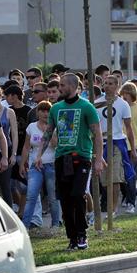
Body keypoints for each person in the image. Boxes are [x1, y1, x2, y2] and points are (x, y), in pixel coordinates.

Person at [34, 73, 104, 251]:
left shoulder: (86, 107)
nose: (60, 88)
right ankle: (72, 237)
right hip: (61, 158)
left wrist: (98, 158)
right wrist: (39, 155)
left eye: (63, 85)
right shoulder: (55, 108)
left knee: (77, 195)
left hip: (81, 157)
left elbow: (97, 134)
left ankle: (82, 234)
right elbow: (49, 132)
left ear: (72, 86)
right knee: (64, 199)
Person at [95, 75, 137, 215]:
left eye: (111, 83)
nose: (107, 86)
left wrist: (133, 148)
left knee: (116, 178)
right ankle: (107, 205)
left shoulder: (123, 104)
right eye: (105, 83)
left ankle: (113, 209)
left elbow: (128, 127)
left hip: (117, 143)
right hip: (102, 143)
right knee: (105, 180)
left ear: (117, 86)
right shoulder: (97, 103)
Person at [19, 101, 61, 229]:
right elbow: (26, 146)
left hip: (51, 164)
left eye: (48, 111)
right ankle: (25, 226)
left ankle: (55, 225)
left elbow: (56, 145)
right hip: (34, 165)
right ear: (37, 112)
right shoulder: (31, 127)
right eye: (42, 111)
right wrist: (22, 163)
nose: (45, 113)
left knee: (53, 197)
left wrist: (50, 130)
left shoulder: (55, 126)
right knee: (31, 195)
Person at [5, 85, 32, 216]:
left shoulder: (29, 111)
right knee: (9, 185)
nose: (5, 98)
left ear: (14, 96)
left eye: (7, 95)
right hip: (11, 152)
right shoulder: (8, 111)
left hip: (25, 152)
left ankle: (22, 212)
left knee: (24, 186)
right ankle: (18, 208)